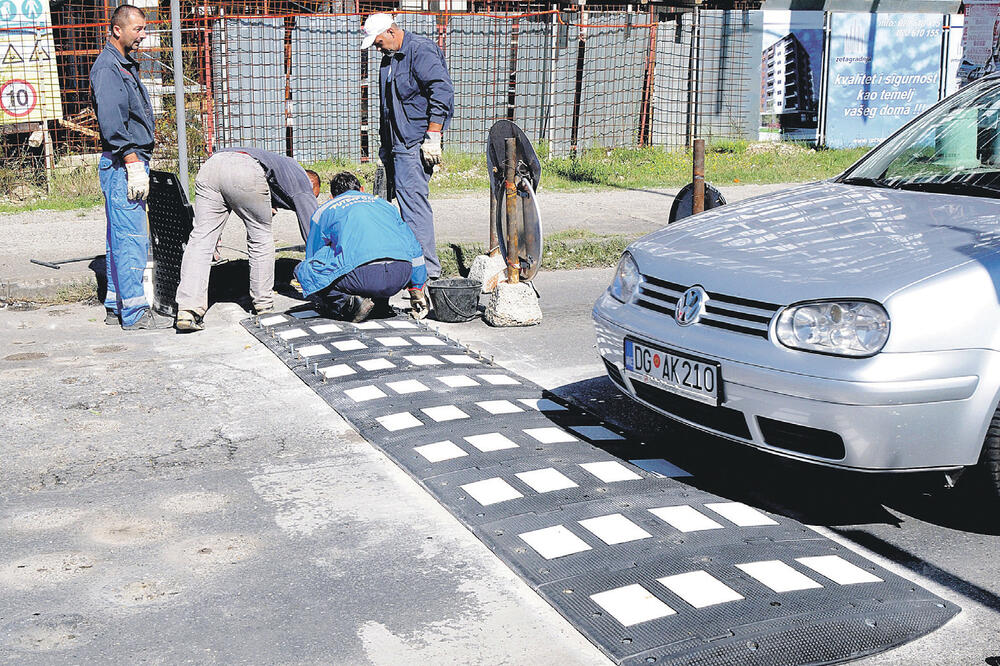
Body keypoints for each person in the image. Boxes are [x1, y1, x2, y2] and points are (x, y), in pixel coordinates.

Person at [361, 13, 453, 318]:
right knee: (385, 207)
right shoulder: (388, 58)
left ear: (390, 31)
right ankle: (394, 272)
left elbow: (441, 91)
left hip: (415, 142)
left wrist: (434, 135)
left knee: (413, 206)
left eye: (377, 41)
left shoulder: (420, 51)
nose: (376, 48)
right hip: (394, 144)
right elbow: (388, 105)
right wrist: (383, 147)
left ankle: (427, 275)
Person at [173, 148, 321, 332]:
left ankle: (187, 310)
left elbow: (271, 185)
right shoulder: (303, 183)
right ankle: (263, 306)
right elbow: (313, 232)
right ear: (312, 183)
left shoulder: (283, 167)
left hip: (211, 167)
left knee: (201, 239)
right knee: (260, 236)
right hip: (244, 170)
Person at [90, 4, 167, 330]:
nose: (144, 35)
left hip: (124, 161)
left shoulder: (121, 63)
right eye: (138, 29)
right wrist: (133, 162)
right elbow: (112, 122)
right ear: (118, 30)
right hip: (124, 163)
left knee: (118, 239)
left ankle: (115, 305)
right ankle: (135, 314)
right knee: (131, 239)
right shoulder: (109, 68)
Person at [295, 171, 428, 323]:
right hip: (400, 274)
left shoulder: (325, 210)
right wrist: (417, 288)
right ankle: (380, 305)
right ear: (362, 189)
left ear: (332, 197)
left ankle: (349, 304)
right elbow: (414, 247)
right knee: (381, 253)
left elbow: (315, 255)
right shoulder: (385, 205)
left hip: (364, 278)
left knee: (304, 270)